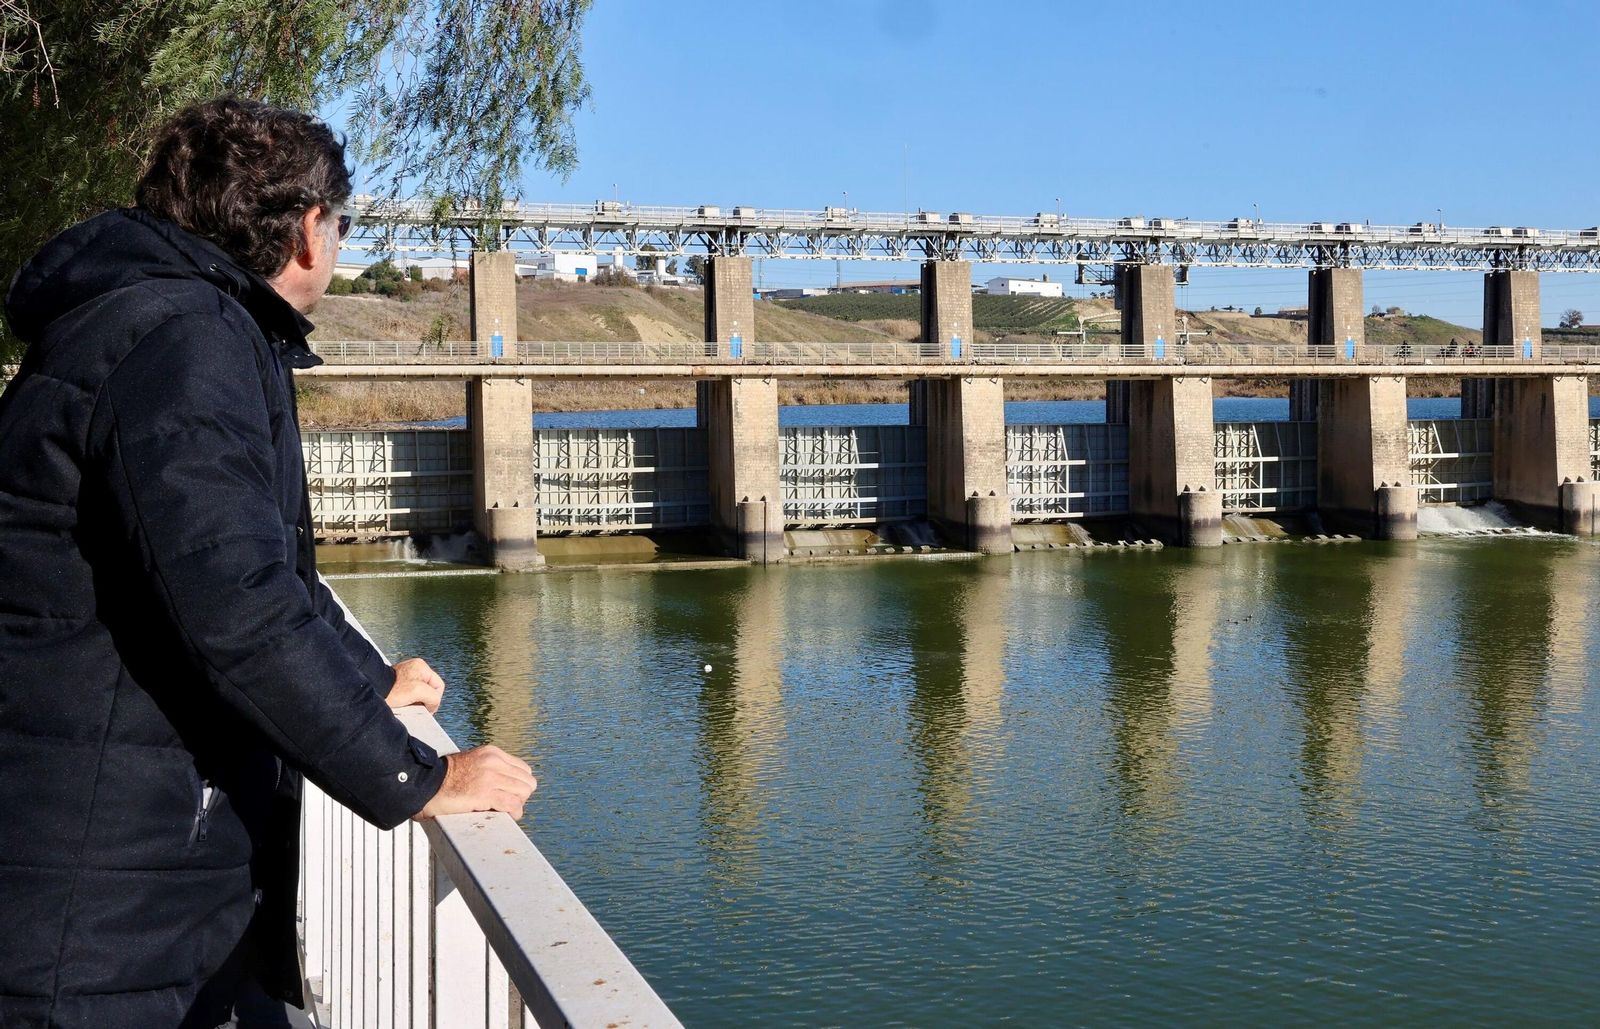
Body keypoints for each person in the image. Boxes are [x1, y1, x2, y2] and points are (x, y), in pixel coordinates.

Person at [0, 97, 537, 1027]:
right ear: (304, 233)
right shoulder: (182, 341)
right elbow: (237, 605)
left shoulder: (155, 323)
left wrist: (370, 681)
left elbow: (258, 565)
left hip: (135, 896)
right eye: (342, 225)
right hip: (95, 925)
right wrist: (420, 779)